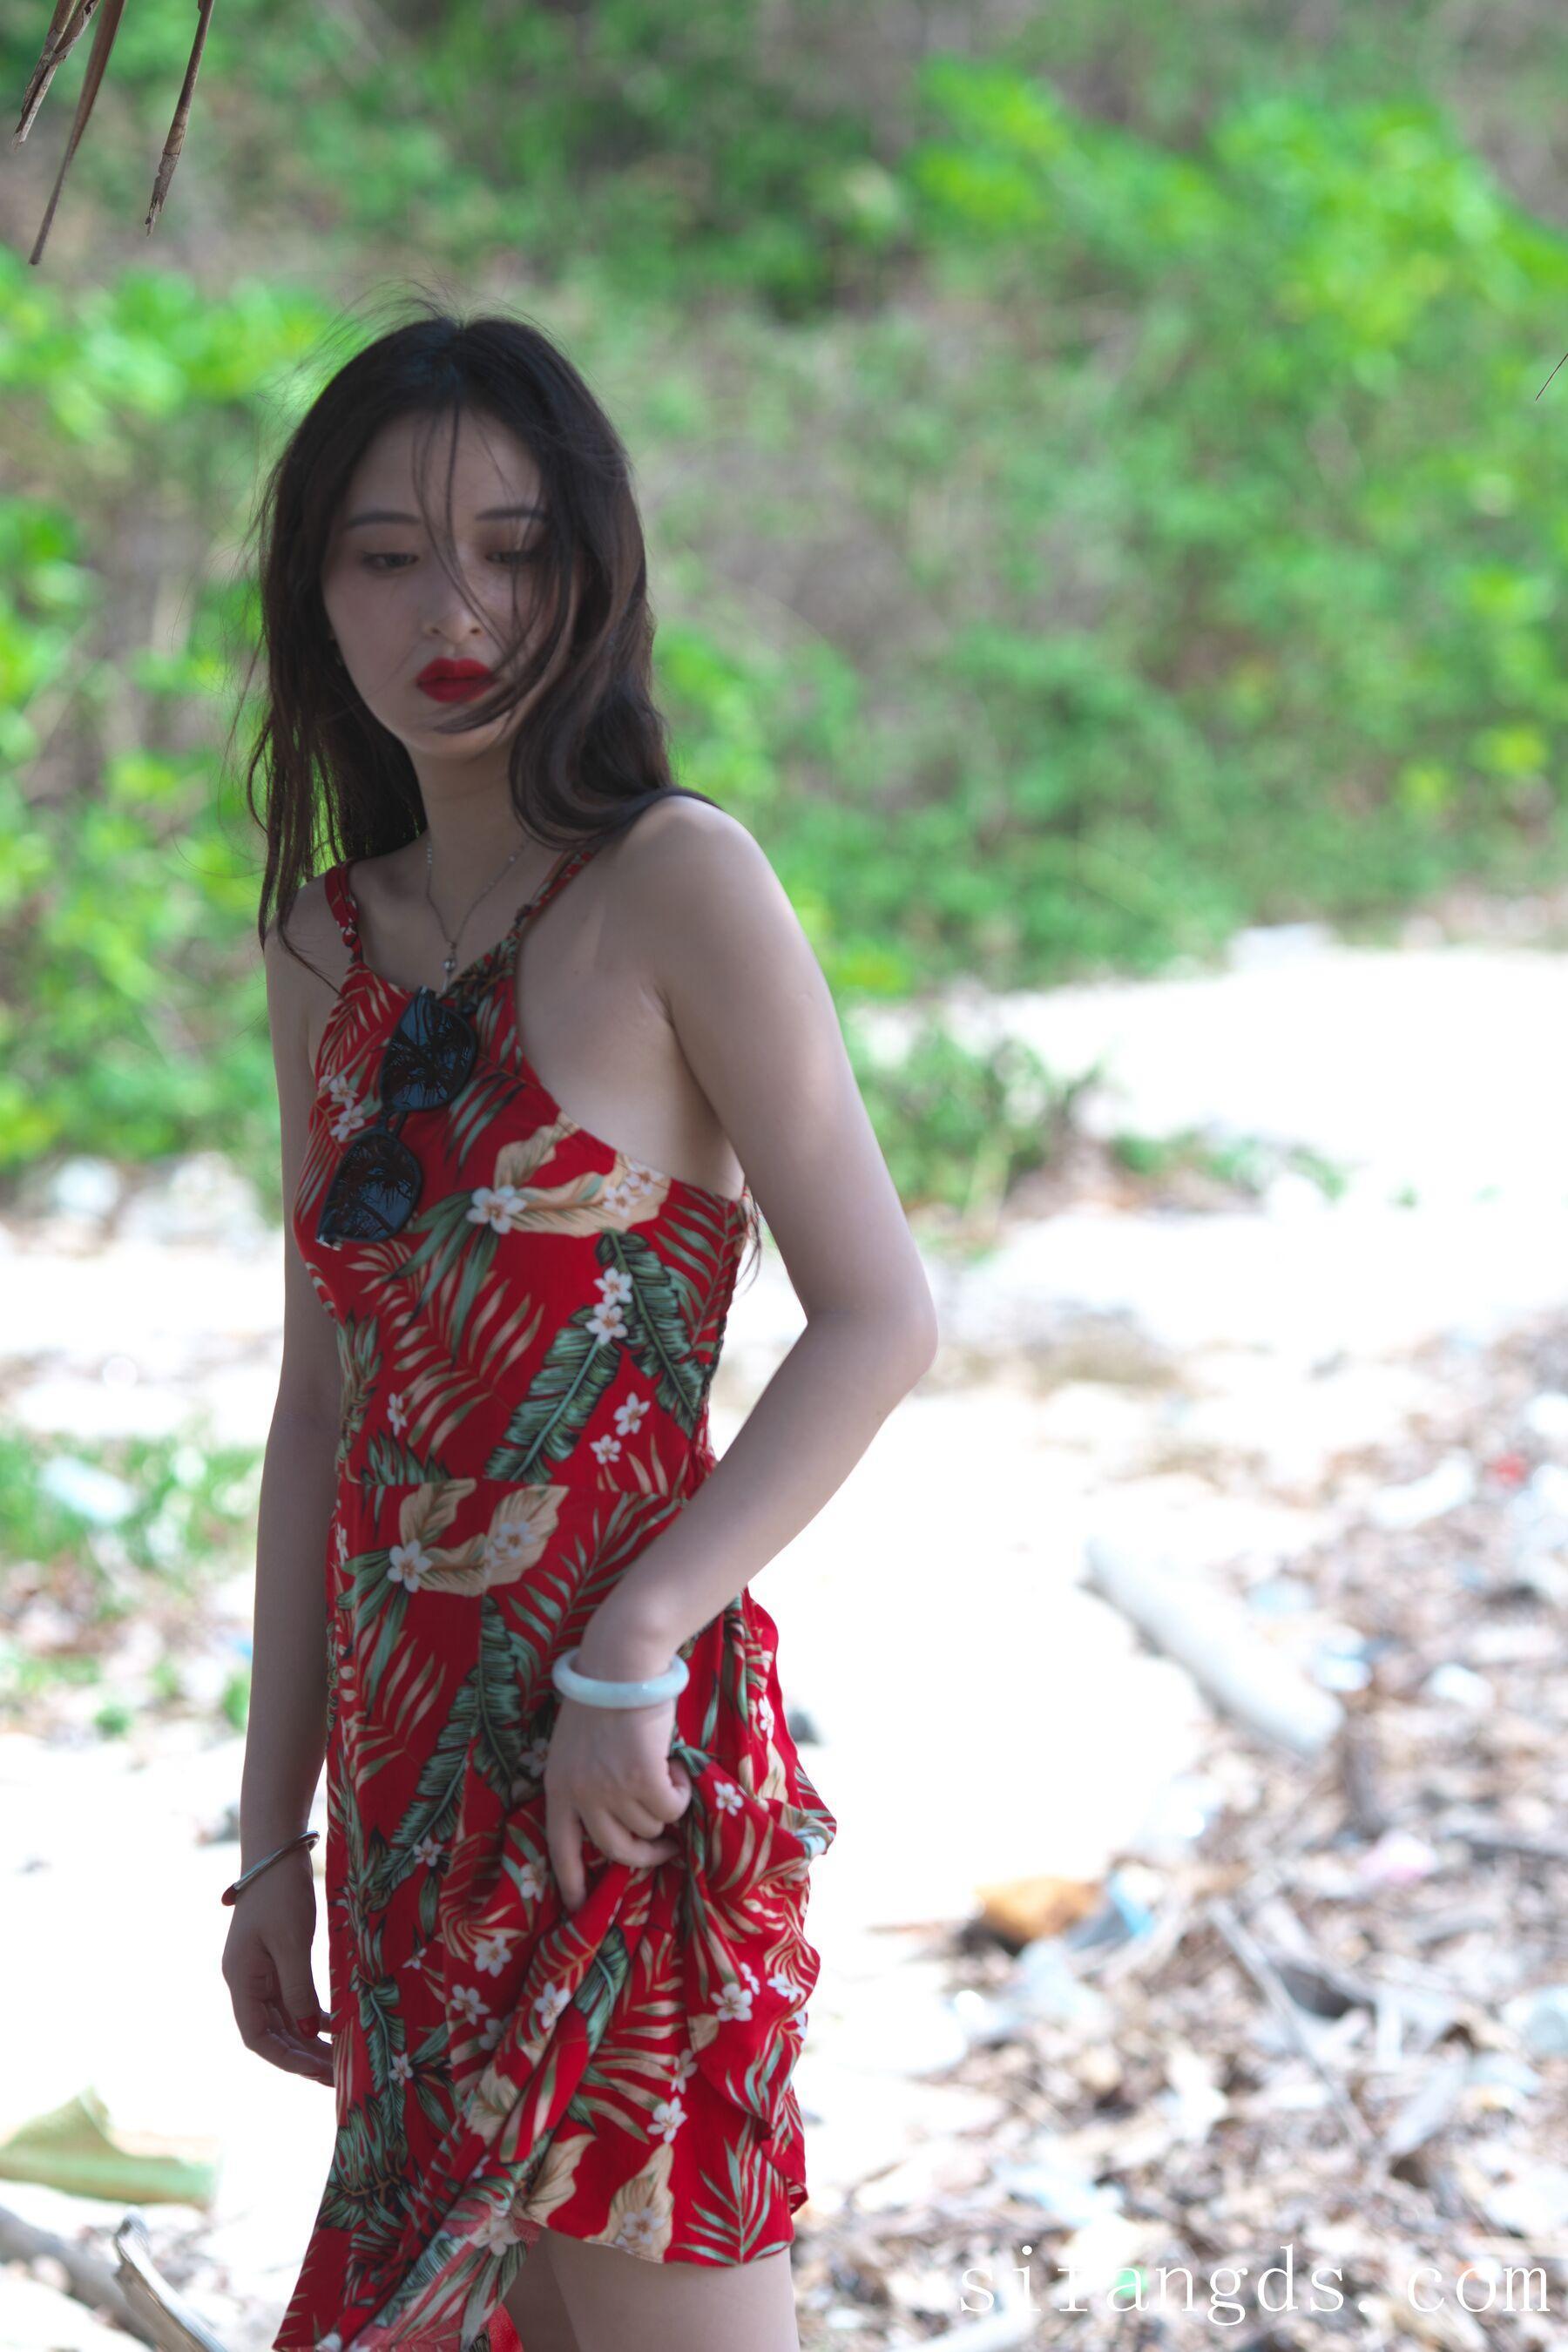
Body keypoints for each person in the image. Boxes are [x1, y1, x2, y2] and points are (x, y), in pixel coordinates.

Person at [223, 305, 938, 2352]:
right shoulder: (323, 940)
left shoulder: (675, 881)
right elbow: (319, 1405)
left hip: (615, 1761)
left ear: (593, 572)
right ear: (317, 595)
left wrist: (644, 1634)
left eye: (513, 549)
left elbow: (880, 1313)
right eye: (387, 555)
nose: (453, 611)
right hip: (405, 1778)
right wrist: (267, 1843)